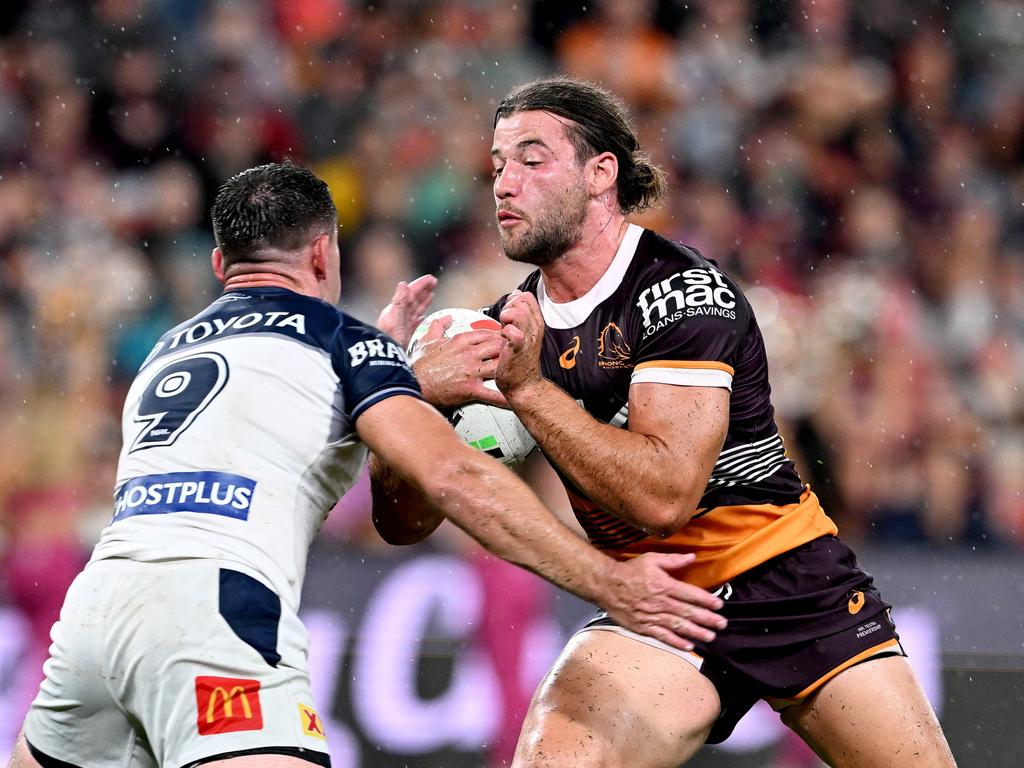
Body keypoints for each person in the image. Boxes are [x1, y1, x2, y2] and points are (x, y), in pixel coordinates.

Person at [9, 162, 728, 768]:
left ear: (221, 265)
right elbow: (453, 477)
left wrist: (390, 373)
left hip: (95, 613)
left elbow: (266, 437)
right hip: (213, 612)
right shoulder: (340, 342)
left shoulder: (169, 351)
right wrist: (609, 579)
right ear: (323, 254)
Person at [372, 77, 958, 767]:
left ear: (600, 174)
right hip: (656, 606)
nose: (503, 184)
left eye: (531, 160)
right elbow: (401, 523)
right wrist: (403, 397)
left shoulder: (682, 291)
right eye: (497, 165)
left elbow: (664, 495)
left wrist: (530, 391)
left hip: (788, 583)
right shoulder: (506, 326)